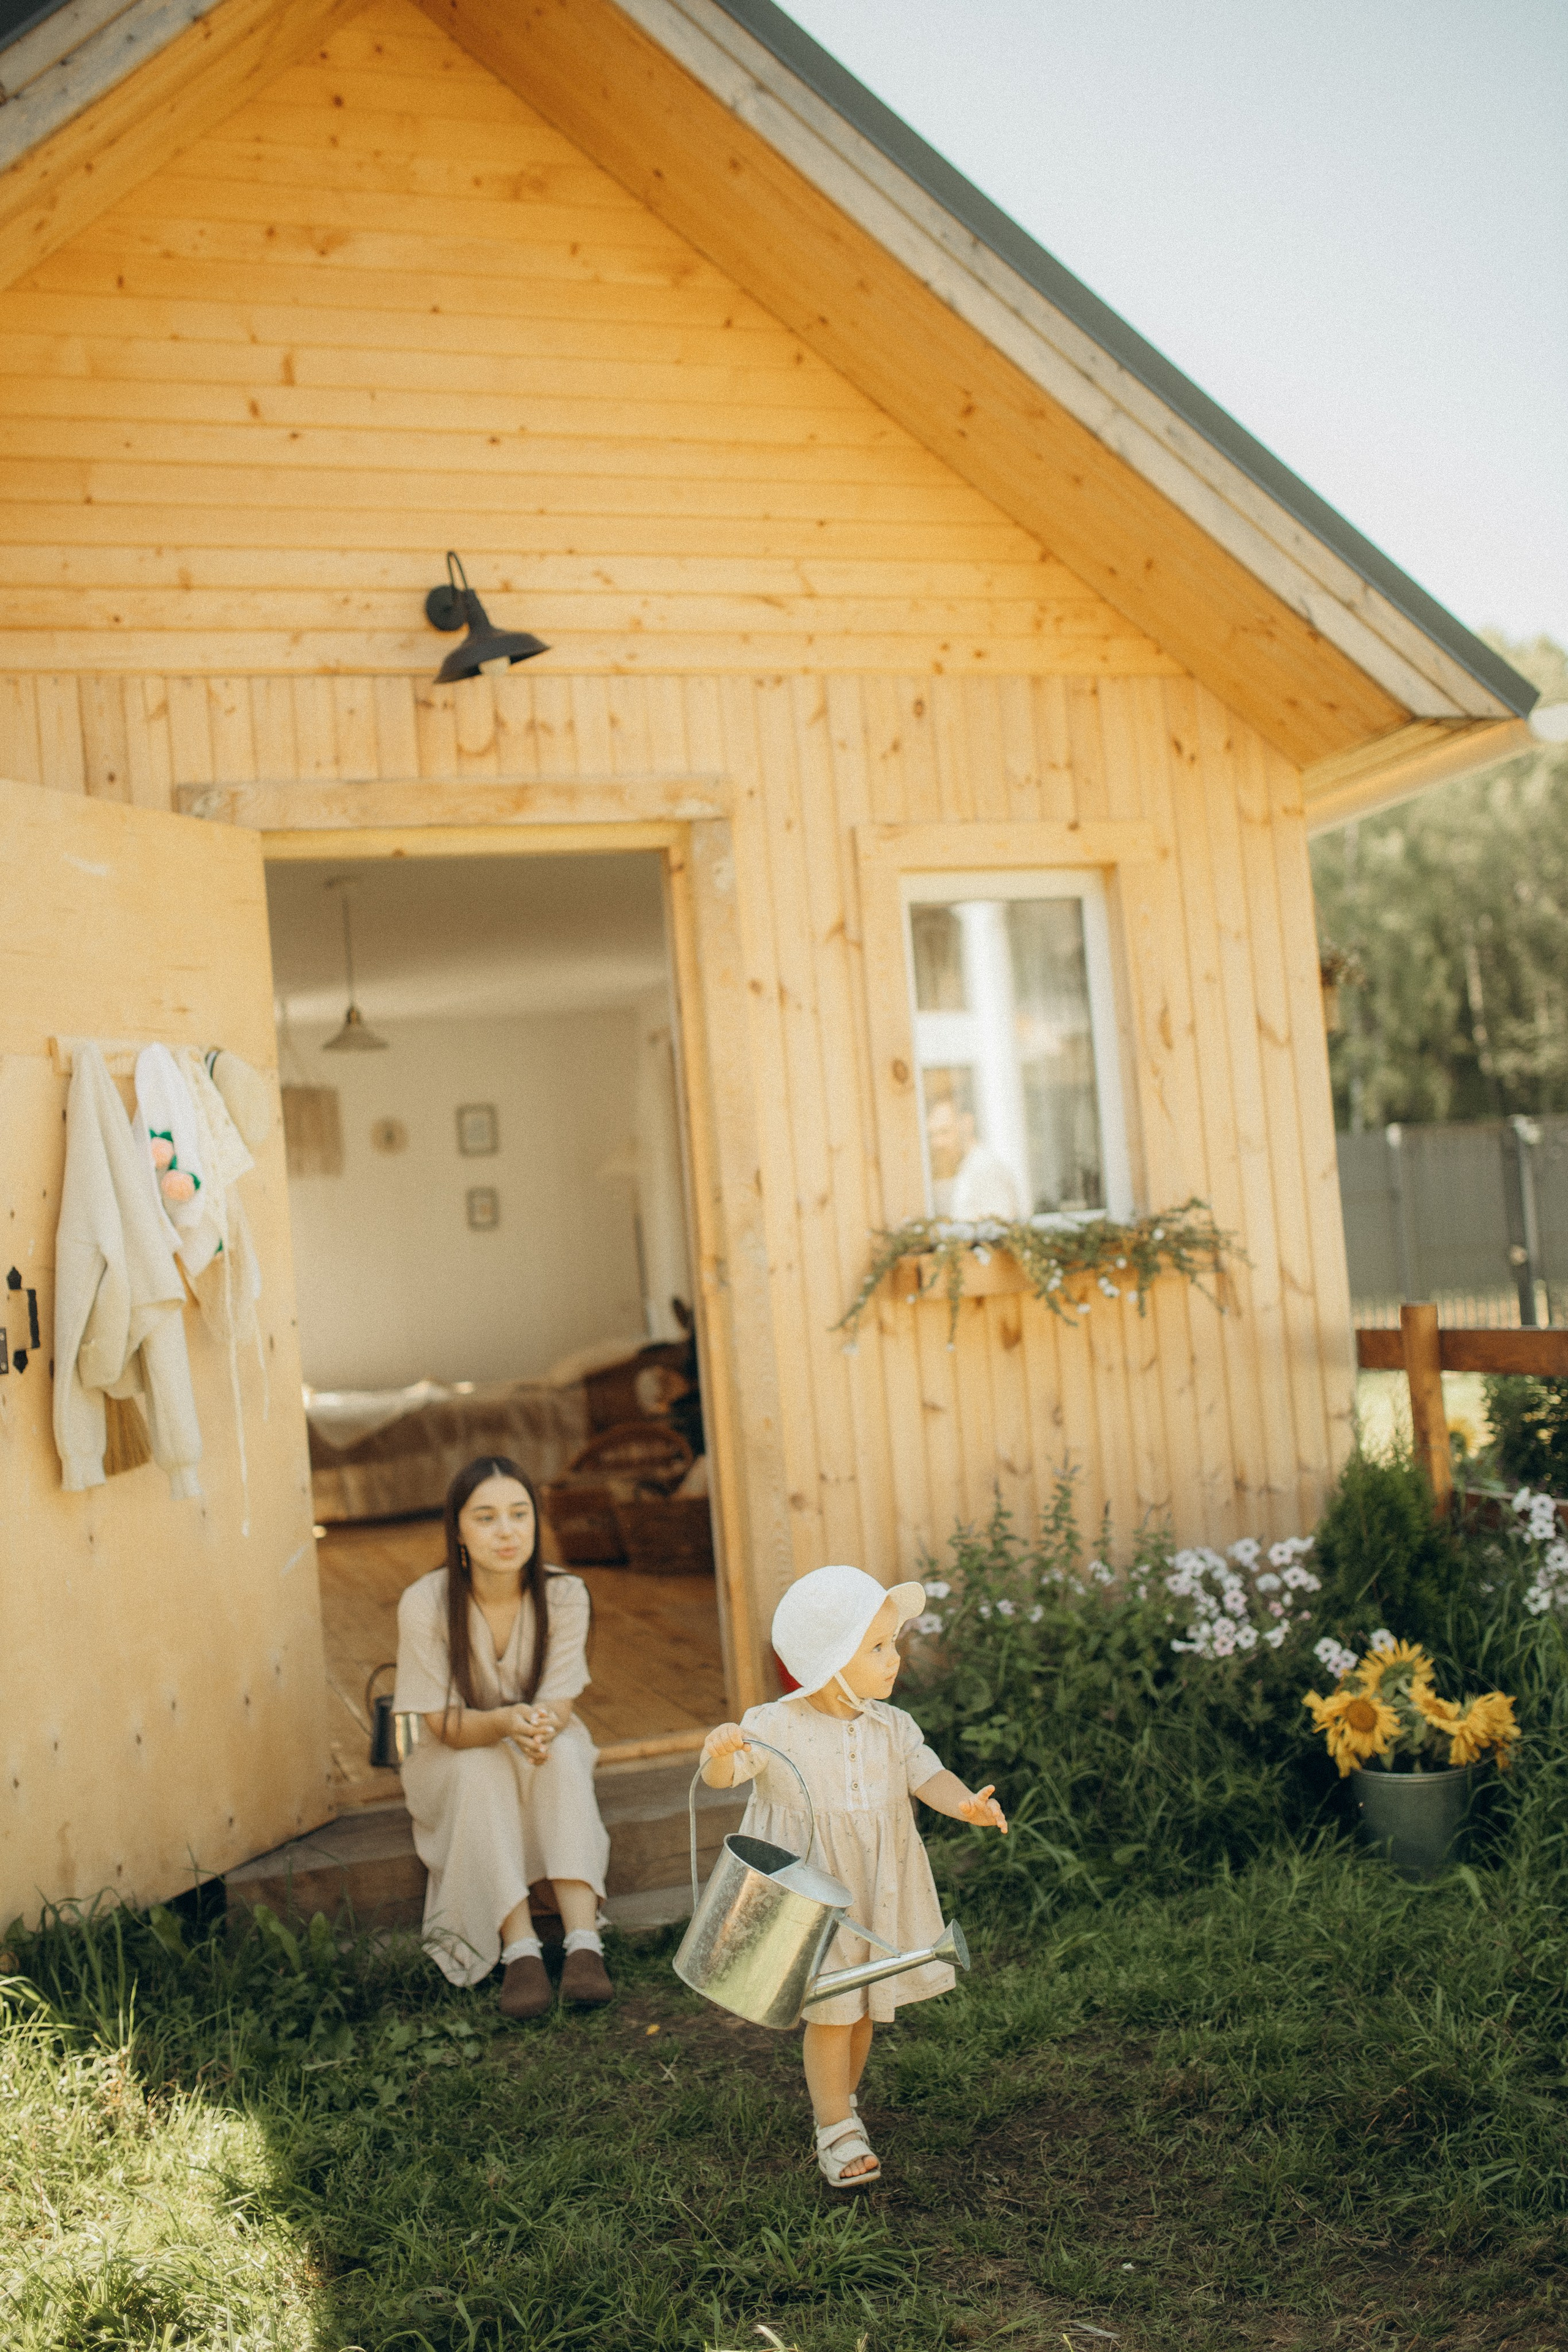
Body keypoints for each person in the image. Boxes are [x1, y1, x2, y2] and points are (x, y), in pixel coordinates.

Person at [699, 1565, 1008, 2187]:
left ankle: (842, 2101)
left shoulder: (893, 1728)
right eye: (876, 1647)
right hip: (808, 1894)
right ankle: (835, 2126)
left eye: (892, 1643)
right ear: (829, 1659)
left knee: (862, 2005)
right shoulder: (774, 1727)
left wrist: (963, 1804)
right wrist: (720, 1751)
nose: (894, 1658)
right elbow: (723, 1778)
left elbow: (927, 1775)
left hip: (874, 1889)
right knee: (832, 2012)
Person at [394, 1455, 613, 2018]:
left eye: (520, 1514)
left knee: (562, 1756)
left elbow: (559, 1700)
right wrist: (504, 1725)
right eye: (486, 1518)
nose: (507, 1531)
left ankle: (584, 1941)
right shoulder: (425, 1603)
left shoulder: (565, 1594)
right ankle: (520, 1948)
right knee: (481, 1768)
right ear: (458, 1531)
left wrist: (538, 1729)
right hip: (455, 1750)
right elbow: (444, 1725)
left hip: (537, 1735)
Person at [924, 1095, 1021, 1221]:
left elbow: (1000, 1227)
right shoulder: (965, 1168)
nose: (937, 1143)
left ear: (967, 1124)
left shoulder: (985, 1168)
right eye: (932, 1135)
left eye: (945, 1132)